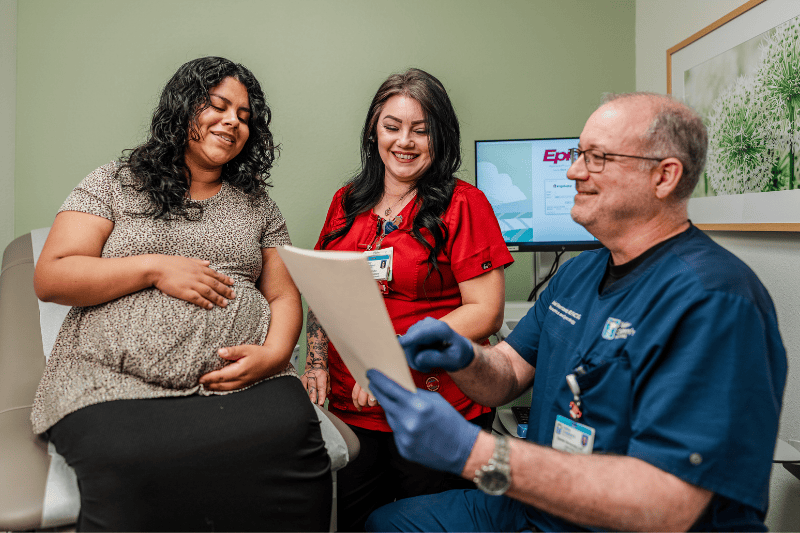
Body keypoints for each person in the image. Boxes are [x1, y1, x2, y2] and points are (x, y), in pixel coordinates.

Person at [365, 92, 788, 532]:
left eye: (597, 158)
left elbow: (670, 504)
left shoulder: (714, 300)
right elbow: (508, 373)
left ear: (664, 176)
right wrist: (465, 358)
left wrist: (474, 452)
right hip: (540, 508)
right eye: (577, 154)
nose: (573, 171)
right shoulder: (578, 274)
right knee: (387, 523)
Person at [31, 57, 331, 532]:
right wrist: (153, 268)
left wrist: (274, 355)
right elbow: (52, 276)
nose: (233, 121)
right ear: (183, 107)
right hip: (114, 378)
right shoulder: (115, 181)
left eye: (245, 116)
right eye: (218, 105)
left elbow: (284, 296)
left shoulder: (259, 206)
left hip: (239, 379)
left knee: (292, 438)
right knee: (132, 460)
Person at [301, 68, 513, 531]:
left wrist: (391, 353)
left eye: (421, 129)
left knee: (426, 524)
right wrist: (315, 360)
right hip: (352, 407)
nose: (405, 141)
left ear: (441, 135)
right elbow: (322, 289)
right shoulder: (347, 201)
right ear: (374, 130)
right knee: (357, 523)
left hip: (435, 409)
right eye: (392, 126)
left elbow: (485, 310)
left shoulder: (463, 204)